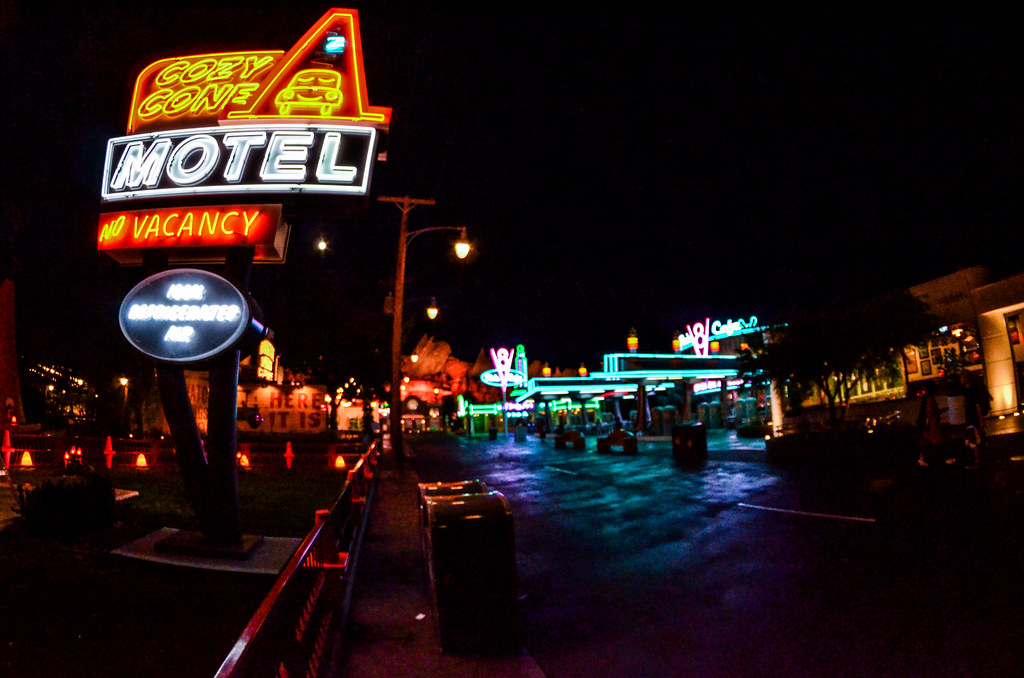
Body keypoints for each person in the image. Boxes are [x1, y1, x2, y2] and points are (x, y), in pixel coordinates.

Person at [917, 382, 942, 466]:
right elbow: (930, 413)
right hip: (930, 425)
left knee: (926, 442)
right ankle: (928, 459)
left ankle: (923, 458)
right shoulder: (930, 399)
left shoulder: (926, 399)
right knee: (931, 442)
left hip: (926, 424)